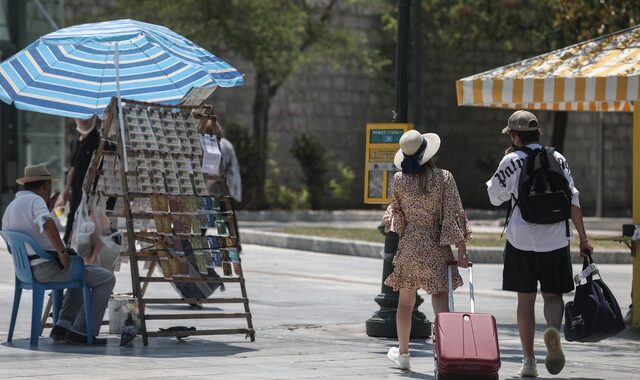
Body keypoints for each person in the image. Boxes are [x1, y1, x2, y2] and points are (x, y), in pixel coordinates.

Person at [486, 110, 593, 377]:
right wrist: (583, 238)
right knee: (553, 295)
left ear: (515, 135)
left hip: (521, 240)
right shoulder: (557, 157)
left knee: (525, 299)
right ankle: (553, 333)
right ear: (538, 134)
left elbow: (494, 197)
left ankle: (528, 361)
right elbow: (574, 200)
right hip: (556, 239)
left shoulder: (511, 159)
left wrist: (505, 162)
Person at [383, 130, 471, 370]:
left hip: (410, 245)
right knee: (441, 303)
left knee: (405, 303)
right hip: (435, 245)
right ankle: (445, 355)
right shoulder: (444, 178)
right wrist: (461, 249)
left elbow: (397, 216)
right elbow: (453, 214)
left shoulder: (400, 180)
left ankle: (403, 354)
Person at [2, 164, 115, 345]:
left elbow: (12, 244)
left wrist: (49, 207)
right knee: (106, 278)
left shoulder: (11, 207)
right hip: (45, 269)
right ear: (46, 185)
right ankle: (82, 331)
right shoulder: (36, 201)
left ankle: (62, 325)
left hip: (27, 271)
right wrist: (61, 253)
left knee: (81, 271)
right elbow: (46, 222)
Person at [201, 119, 242, 250]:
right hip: (224, 184)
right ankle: (235, 241)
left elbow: (217, 169)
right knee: (227, 213)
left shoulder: (220, 145)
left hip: (223, 185)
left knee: (214, 211)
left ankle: (234, 242)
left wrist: (206, 188)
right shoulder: (224, 144)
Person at [58, 116, 100, 244]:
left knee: (87, 237)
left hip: (91, 196)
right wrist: (65, 191)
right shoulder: (75, 141)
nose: (84, 120)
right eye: (80, 117)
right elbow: (73, 167)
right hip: (76, 193)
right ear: (74, 118)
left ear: (94, 118)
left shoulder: (97, 140)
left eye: (88, 117)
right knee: (70, 229)